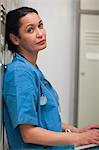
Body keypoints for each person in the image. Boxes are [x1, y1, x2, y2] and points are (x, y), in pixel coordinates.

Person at [3, 7, 99, 150]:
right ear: (15, 39)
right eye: (30, 30)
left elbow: (45, 121)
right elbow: (29, 134)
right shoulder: (19, 74)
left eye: (40, 26)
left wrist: (78, 131)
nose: (40, 33)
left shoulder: (31, 69)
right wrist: (79, 138)